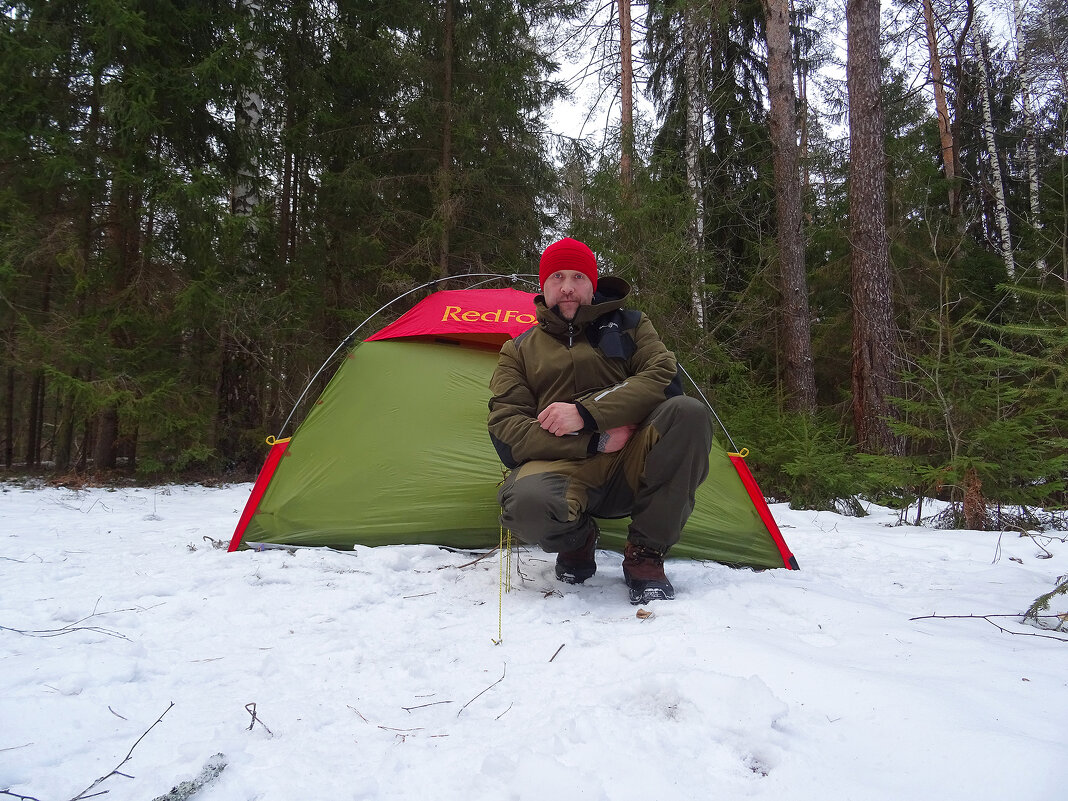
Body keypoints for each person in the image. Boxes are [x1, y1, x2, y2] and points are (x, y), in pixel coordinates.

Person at [487, 237, 713, 604]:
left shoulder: (632, 327)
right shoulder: (518, 351)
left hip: (631, 458)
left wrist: (586, 413)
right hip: (561, 464)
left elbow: (661, 377)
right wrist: (592, 439)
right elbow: (506, 428)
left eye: (578, 277)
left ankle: (645, 555)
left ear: (593, 285)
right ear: (543, 287)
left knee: (688, 413)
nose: (567, 288)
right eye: (557, 277)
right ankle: (578, 540)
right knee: (524, 505)